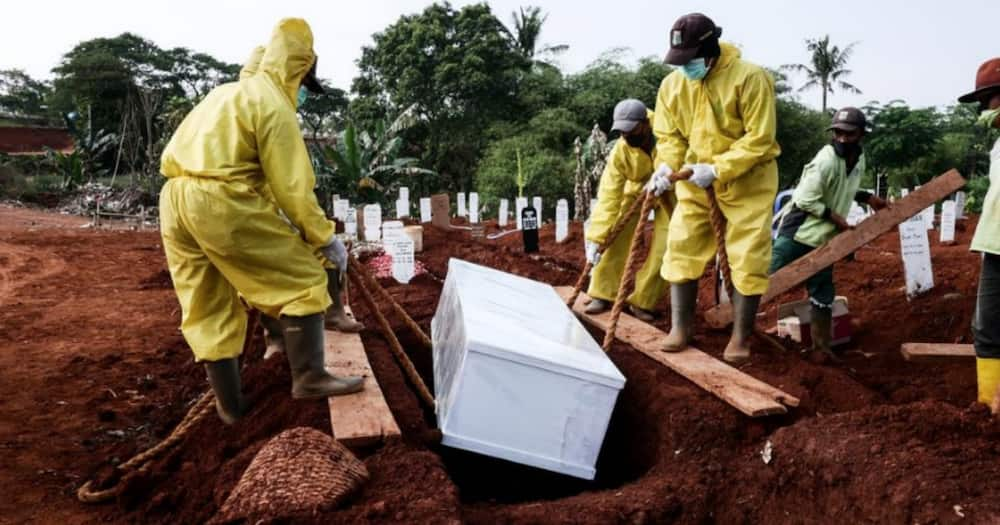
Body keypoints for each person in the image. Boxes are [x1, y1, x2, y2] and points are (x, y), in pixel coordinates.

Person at [158, 18, 363, 425]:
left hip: (175, 199)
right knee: (303, 277)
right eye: (304, 83)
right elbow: (293, 187)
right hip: (220, 202)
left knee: (207, 303)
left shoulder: (226, 94)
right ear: (298, 68)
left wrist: (281, 223)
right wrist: (324, 239)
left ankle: (231, 412)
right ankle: (310, 378)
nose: (302, 93)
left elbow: (257, 181)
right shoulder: (273, 105)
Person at [652, 13, 781, 363]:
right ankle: (681, 328)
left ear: (709, 51)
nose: (685, 67)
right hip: (694, 179)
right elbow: (669, 135)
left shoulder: (751, 78)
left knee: (746, 255)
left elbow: (760, 138)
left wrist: (720, 168)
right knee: (681, 244)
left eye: (690, 60)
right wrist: (666, 165)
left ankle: (740, 337)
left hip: (747, 182)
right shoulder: (673, 86)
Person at [235, 45, 364, 362]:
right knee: (269, 272)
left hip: (274, 202)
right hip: (249, 206)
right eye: (302, 85)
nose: (303, 94)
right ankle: (277, 338)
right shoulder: (256, 105)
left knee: (322, 252)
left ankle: (334, 313)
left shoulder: (274, 105)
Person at [771, 107, 887, 361]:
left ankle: (821, 349)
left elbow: (843, 187)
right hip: (798, 233)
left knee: (823, 292)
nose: (843, 139)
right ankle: (735, 325)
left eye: (849, 134)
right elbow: (804, 200)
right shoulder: (825, 161)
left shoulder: (858, 159)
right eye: (838, 133)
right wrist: (840, 221)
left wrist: (868, 197)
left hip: (824, 240)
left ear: (861, 135)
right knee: (765, 278)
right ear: (832, 133)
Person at [584, 99, 671, 322]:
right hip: (636, 192)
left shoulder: (666, 131)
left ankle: (644, 301)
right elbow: (609, 196)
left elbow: (682, 154)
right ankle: (602, 294)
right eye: (621, 131)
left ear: (644, 124)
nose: (625, 136)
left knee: (667, 247)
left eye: (630, 130)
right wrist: (596, 237)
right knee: (615, 235)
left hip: (670, 190)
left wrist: (668, 174)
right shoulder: (621, 151)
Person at [958, 57, 1000, 412]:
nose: (986, 109)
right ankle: (987, 406)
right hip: (995, 244)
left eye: (991, 99)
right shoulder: (998, 144)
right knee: (986, 328)